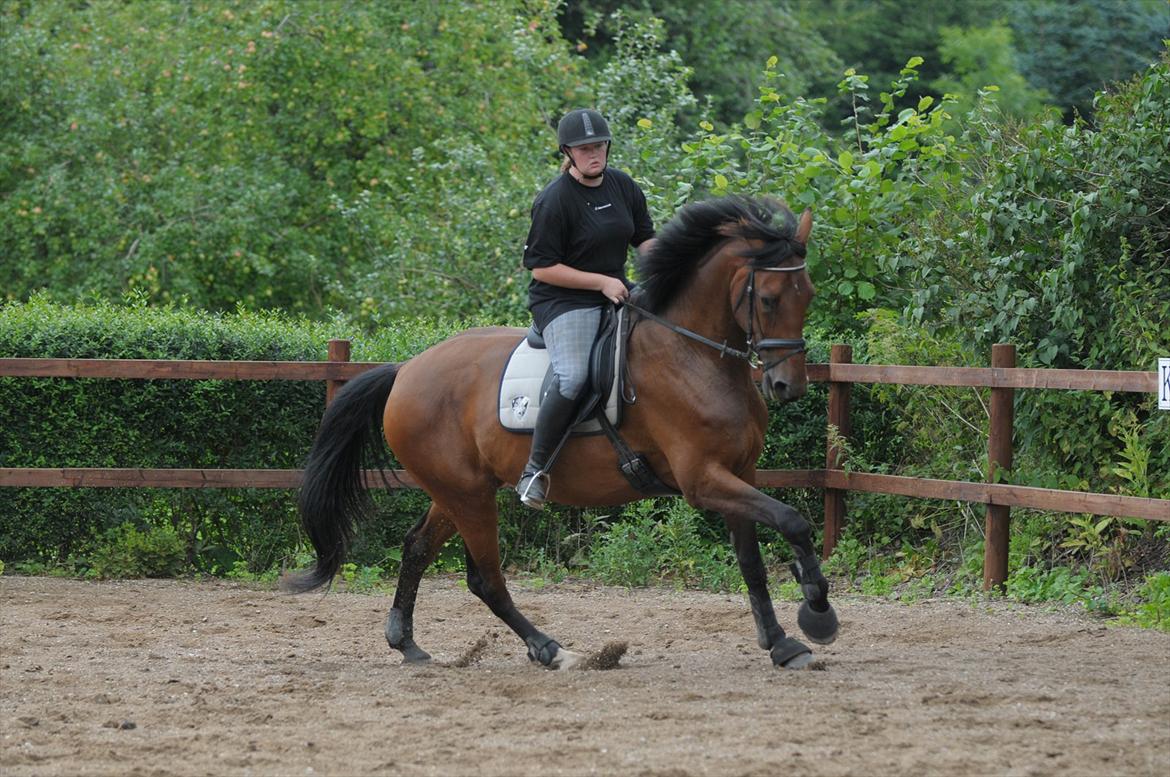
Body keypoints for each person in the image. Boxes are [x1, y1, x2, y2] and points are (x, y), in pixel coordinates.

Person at [516, 108, 658, 509]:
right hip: (564, 301)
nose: (594, 154)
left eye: (599, 146)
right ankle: (535, 471)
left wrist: (670, 270)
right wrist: (600, 281)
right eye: (584, 149)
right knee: (574, 376)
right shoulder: (554, 200)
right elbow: (542, 267)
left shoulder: (623, 187)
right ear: (568, 152)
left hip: (617, 290)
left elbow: (645, 239)